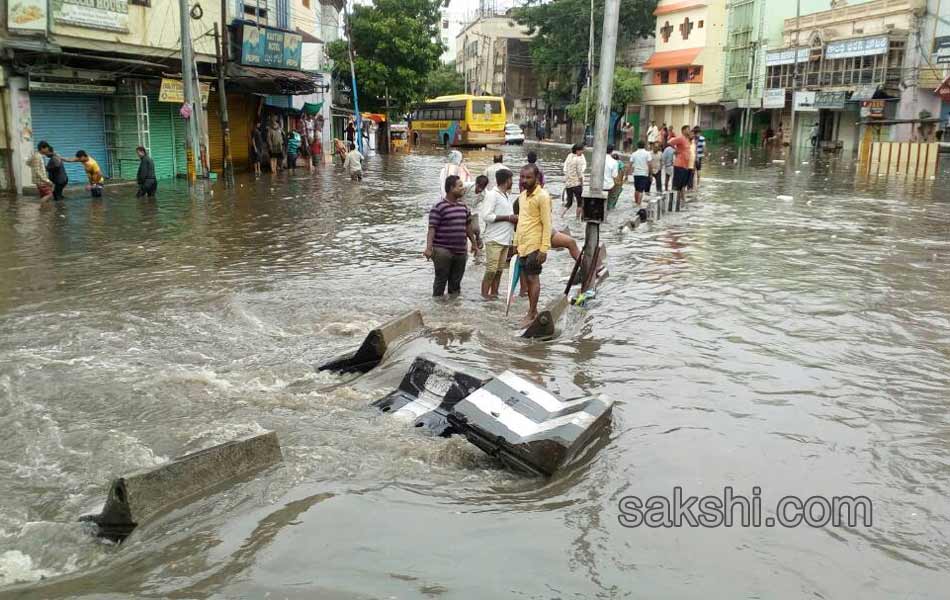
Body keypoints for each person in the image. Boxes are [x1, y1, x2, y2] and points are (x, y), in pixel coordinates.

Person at [425, 175, 478, 297]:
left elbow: (468, 227)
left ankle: (453, 311)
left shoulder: (464, 207)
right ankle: (437, 309)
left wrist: (474, 244)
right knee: (440, 281)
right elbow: (432, 229)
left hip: (460, 251)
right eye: (459, 186)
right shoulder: (438, 207)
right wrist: (428, 248)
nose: (463, 188)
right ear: (451, 188)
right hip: (442, 251)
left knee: (456, 284)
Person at [514, 164, 551, 326]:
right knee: (527, 280)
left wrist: (544, 249)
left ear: (536, 178)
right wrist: (515, 243)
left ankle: (531, 313)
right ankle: (533, 310)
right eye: (522, 177)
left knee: (533, 278)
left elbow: (547, 224)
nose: (524, 180)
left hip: (536, 245)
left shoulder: (543, 196)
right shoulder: (522, 196)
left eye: (528, 177)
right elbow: (521, 221)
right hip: (523, 244)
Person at [481, 168, 517, 298]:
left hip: (505, 239)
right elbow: (486, 216)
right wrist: (508, 218)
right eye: (511, 180)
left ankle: (494, 294)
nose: (512, 182)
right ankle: (484, 295)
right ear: (507, 181)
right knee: (491, 269)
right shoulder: (492, 195)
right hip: (494, 239)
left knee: (500, 270)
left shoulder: (507, 195)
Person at [667, 126, 693, 207]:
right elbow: (669, 142)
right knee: (676, 186)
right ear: (683, 130)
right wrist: (676, 149)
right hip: (679, 165)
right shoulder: (680, 138)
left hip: (685, 166)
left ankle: (681, 202)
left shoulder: (687, 139)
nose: (689, 131)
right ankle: (672, 203)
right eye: (688, 129)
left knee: (682, 185)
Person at [561, 143, 586, 219]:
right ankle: (577, 218)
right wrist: (581, 183)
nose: (582, 152)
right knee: (580, 203)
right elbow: (580, 173)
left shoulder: (569, 156)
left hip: (568, 184)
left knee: (569, 203)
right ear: (577, 151)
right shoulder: (578, 160)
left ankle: (561, 215)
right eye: (582, 150)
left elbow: (565, 169)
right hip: (576, 184)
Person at [629, 140, 651, 206]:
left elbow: (630, 164)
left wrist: (628, 173)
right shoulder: (647, 153)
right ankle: (639, 203)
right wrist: (650, 173)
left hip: (636, 173)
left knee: (636, 189)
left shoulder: (634, 153)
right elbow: (650, 164)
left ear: (637, 146)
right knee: (641, 190)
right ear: (644, 146)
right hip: (644, 173)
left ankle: (636, 202)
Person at [604, 144, 622, 210]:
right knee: (608, 205)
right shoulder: (614, 162)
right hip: (609, 185)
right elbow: (614, 176)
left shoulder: (599, 159)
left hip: (599, 186)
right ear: (612, 151)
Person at [692, 126, 705, 190]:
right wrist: (704, 153)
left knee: (693, 170)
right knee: (698, 170)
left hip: (693, 156)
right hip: (699, 156)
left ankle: (693, 184)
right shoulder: (702, 138)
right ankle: (698, 184)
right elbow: (704, 147)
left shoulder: (692, 138)